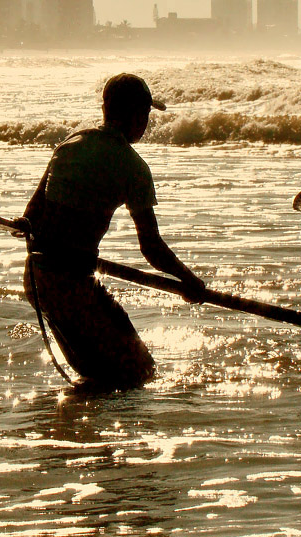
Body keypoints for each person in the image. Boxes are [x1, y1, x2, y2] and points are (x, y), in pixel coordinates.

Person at [19, 73, 206, 390]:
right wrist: (189, 280)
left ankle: (77, 427)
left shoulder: (69, 145)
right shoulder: (133, 168)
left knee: (103, 376)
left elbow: (30, 218)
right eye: (146, 116)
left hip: (38, 278)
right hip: (71, 288)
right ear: (136, 116)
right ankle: (88, 430)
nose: (146, 124)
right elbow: (151, 247)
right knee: (137, 373)